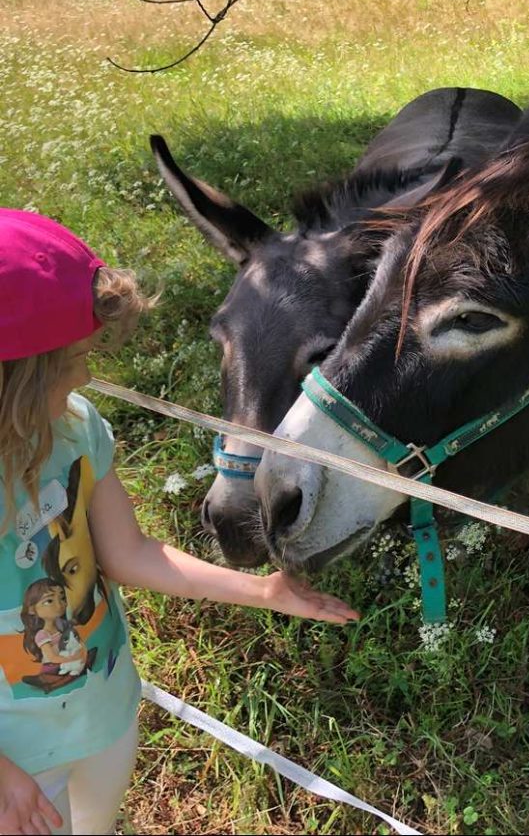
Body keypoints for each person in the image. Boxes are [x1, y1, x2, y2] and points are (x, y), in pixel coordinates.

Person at [0, 208, 359, 836]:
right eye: (69, 363)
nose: (86, 376)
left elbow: (130, 553)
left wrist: (265, 591)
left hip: (104, 708)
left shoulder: (75, 428)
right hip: (15, 765)